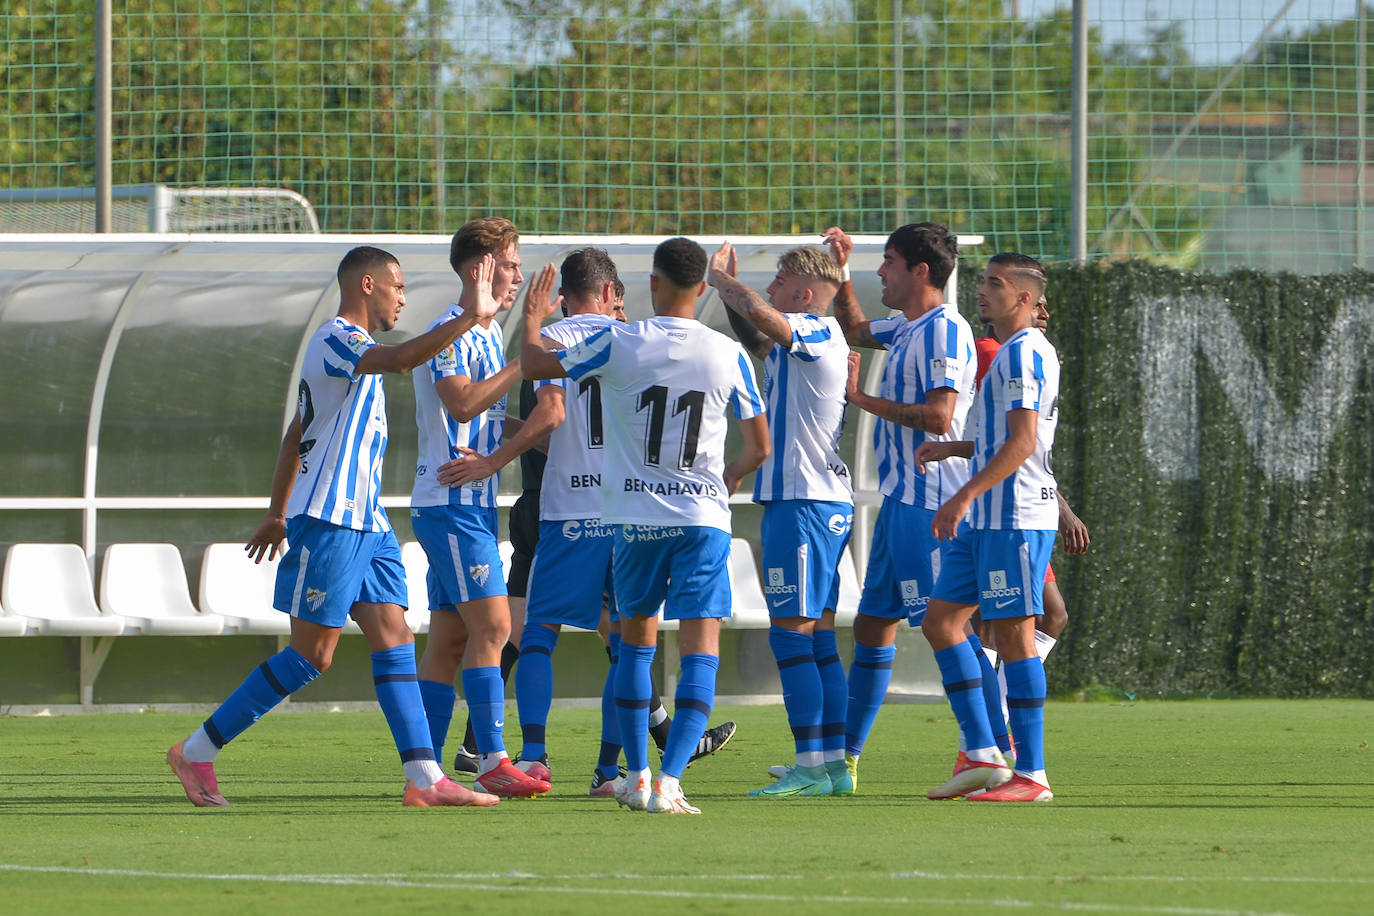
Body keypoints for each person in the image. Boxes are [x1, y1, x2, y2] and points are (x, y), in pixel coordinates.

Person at [166, 246, 500, 809]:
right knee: (311, 656)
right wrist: (470, 315)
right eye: (396, 286)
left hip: (368, 520)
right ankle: (196, 750)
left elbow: (298, 431)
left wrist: (275, 511)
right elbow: (397, 363)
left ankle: (424, 779)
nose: (402, 297)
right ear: (367, 285)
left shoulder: (356, 351)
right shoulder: (337, 339)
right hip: (329, 518)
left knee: (395, 637)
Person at [521, 237, 770, 814]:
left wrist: (534, 317)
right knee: (699, 650)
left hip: (633, 519)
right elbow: (759, 446)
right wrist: (724, 480)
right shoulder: (728, 352)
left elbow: (535, 365)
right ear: (703, 288)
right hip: (700, 517)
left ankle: (633, 776)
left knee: (634, 650)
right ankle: (672, 779)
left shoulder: (619, 340)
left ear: (652, 284)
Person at [823, 223, 978, 794]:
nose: (881, 271)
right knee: (872, 625)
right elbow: (858, 329)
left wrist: (860, 400)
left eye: (888, 262)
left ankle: (990, 749)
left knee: (945, 627)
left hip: (930, 501)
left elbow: (940, 418)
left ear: (920, 272)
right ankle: (845, 762)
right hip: (900, 501)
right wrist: (841, 272)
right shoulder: (910, 326)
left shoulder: (945, 332)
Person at [706, 240, 854, 798]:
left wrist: (720, 279)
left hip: (805, 504)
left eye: (779, 280)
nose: (769, 290)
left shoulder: (816, 329)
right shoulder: (810, 342)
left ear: (805, 294)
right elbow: (758, 332)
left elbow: (762, 315)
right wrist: (729, 297)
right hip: (817, 503)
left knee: (792, 637)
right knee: (815, 638)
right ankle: (833, 766)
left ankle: (811, 767)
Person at [410, 217, 550, 798]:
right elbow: (463, 403)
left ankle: (426, 772)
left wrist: (544, 435)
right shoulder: (453, 330)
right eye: (510, 264)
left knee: (447, 640)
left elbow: (488, 419)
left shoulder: (484, 333)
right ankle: (492, 757)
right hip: (451, 504)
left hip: (467, 507)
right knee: (495, 626)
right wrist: (528, 358)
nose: (518, 275)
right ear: (480, 270)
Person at [916, 252, 1061, 802]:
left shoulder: (1024, 355)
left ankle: (1033, 775)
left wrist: (961, 495)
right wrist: (954, 448)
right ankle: (982, 752)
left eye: (995, 284)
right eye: (983, 282)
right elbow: (1002, 437)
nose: (983, 291)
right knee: (941, 622)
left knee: (1016, 638)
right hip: (988, 518)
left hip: (1014, 517)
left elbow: (1024, 443)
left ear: (1024, 298)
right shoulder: (1005, 356)